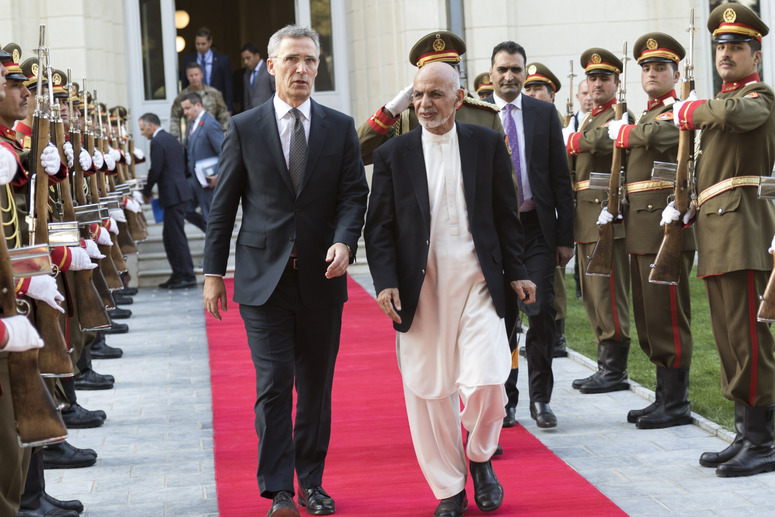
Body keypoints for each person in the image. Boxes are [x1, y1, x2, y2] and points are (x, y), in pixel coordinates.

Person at [202, 25, 368, 517]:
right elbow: (223, 205)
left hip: (322, 277)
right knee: (275, 383)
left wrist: (344, 239)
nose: (303, 69)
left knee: (315, 387)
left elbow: (353, 194)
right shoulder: (245, 126)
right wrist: (213, 273)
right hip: (262, 279)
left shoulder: (339, 127)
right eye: (293, 59)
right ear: (271, 65)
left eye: (311, 60)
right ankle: (278, 490)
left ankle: (312, 484)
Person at [365, 60, 536, 517]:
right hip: (421, 287)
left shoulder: (485, 143)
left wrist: (517, 270)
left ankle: (480, 456)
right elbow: (378, 228)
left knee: (487, 380)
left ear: (458, 99)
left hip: (480, 281)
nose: (424, 104)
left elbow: (506, 215)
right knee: (429, 391)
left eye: (436, 94)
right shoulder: (392, 154)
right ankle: (449, 488)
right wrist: (384, 284)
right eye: (419, 95)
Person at [672, 3, 775, 477]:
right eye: (722, 48)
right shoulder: (726, 102)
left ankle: (764, 440)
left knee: (750, 340)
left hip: (743, 231)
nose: (727, 54)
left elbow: (735, 115)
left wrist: (691, 107)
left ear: (756, 53)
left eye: (737, 47)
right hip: (716, 229)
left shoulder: (759, 98)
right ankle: (744, 434)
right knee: (730, 340)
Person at [482, 43, 574, 429]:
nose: (509, 76)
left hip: (536, 229)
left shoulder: (543, 113)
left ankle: (541, 399)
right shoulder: (477, 115)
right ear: (491, 75)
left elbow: (560, 178)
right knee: (501, 319)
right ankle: (507, 400)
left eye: (516, 70)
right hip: (496, 232)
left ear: (524, 73)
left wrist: (565, 236)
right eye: (502, 69)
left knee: (539, 315)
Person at [606, 32, 695, 429]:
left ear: (676, 74)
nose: (653, 73)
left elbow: (665, 135)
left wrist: (625, 134)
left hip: (665, 225)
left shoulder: (678, 111)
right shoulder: (643, 115)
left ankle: (677, 402)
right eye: (646, 68)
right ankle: (664, 395)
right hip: (641, 227)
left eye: (660, 67)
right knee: (647, 316)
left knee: (667, 315)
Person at [565, 48, 634, 394]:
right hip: (585, 214)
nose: (596, 84)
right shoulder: (591, 117)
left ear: (616, 83)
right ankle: (604, 364)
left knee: (608, 294)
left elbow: (600, 142)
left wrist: (571, 140)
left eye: (604, 78)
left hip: (606, 215)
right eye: (591, 78)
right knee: (592, 295)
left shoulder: (618, 116)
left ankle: (615, 370)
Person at [357, 31, 504, 165]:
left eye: (447, 70)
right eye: (431, 71)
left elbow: (505, 177)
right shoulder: (404, 117)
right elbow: (359, 154)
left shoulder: (485, 116)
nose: (439, 76)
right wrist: (391, 110)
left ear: (458, 75)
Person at [139, 112, 197, 289]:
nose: (142, 133)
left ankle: (186, 275)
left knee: (175, 236)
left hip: (173, 195)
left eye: (143, 129)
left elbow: (156, 169)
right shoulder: (171, 138)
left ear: (151, 126)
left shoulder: (157, 141)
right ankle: (179, 273)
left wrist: (146, 190)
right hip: (178, 193)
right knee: (170, 236)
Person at [180, 91, 224, 232]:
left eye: (187, 108)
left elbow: (224, 151)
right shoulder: (191, 125)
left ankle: (213, 246)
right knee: (186, 211)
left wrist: (218, 175)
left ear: (198, 105)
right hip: (193, 181)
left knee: (209, 218)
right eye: (183, 109)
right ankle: (211, 233)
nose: (185, 112)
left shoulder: (210, 124)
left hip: (208, 182)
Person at [170, 62, 229, 141]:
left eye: (196, 75)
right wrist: (175, 138)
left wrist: (224, 132)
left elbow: (223, 114)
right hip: (192, 137)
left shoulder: (214, 93)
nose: (194, 78)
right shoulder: (182, 96)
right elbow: (175, 117)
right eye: (191, 75)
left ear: (201, 75)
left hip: (212, 135)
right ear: (187, 77)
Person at [180, 27, 234, 112]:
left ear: (210, 42)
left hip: (216, 106)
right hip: (195, 106)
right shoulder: (188, 60)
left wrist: (229, 109)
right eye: (197, 44)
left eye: (203, 44)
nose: (200, 47)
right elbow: (185, 84)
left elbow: (228, 85)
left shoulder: (222, 60)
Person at [240, 43, 275, 111]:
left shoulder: (269, 69)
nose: (245, 62)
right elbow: (246, 99)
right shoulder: (246, 74)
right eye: (243, 59)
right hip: (252, 116)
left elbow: (277, 93)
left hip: (268, 113)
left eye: (248, 58)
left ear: (257, 55)